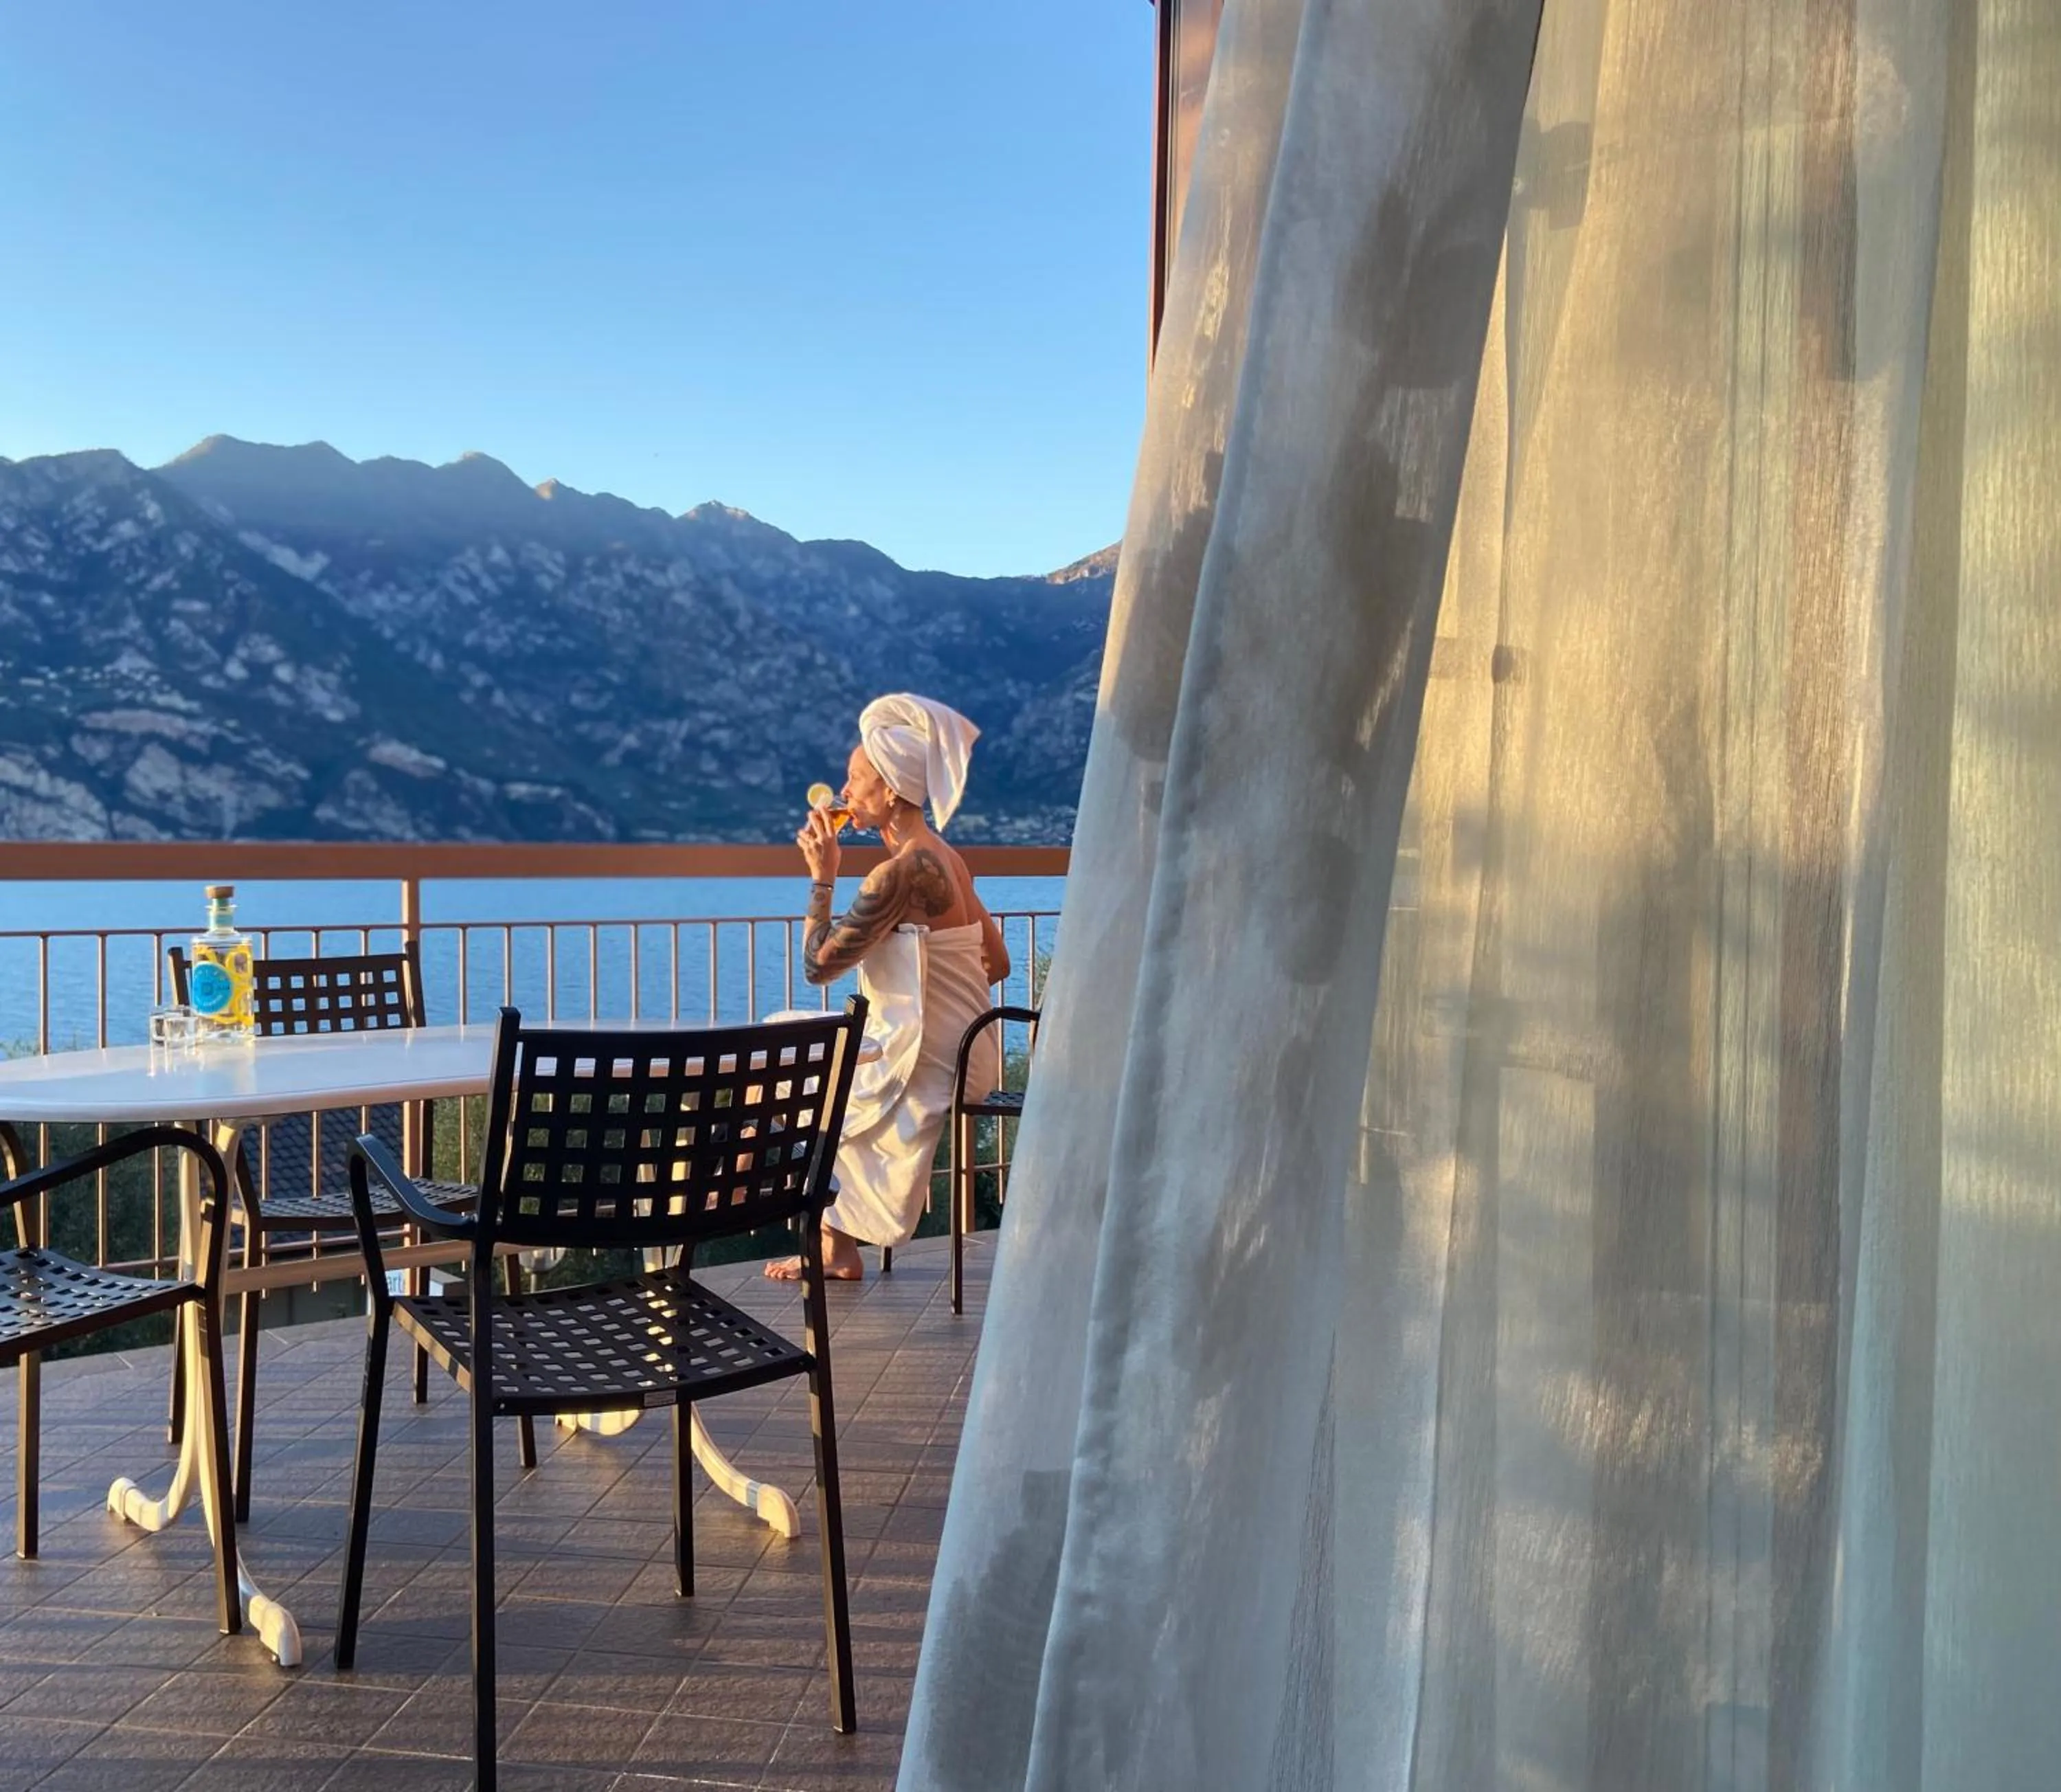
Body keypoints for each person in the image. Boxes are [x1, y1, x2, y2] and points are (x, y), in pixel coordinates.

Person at [765, 694, 1011, 1282]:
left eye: (857, 779)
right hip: (974, 1047)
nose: (845, 792)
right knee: (787, 1033)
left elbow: (819, 967)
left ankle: (780, 1190)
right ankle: (837, 1247)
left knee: (791, 1069)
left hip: (934, 1054)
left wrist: (823, 878)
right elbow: (996, 963)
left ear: (893, 791)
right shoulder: (947, 857)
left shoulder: (897, 873)